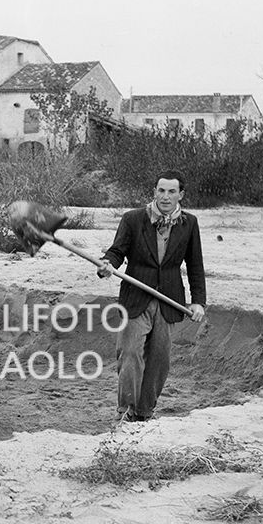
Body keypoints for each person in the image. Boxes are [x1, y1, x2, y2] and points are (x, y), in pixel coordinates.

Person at [97, 170, 206, 422]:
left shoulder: (190, 224)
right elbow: (116, 251)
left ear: (181, 195)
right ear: (154, 192)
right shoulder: (133, 219)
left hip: (169, 300)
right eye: (161, 191)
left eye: (171, 192)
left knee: (159, 359)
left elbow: (195, 265)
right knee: (130, 352)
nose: (165, 197)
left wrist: (198, 301)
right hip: (136, 298)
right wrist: (107, 264)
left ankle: (144, 412)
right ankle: (126, 412)